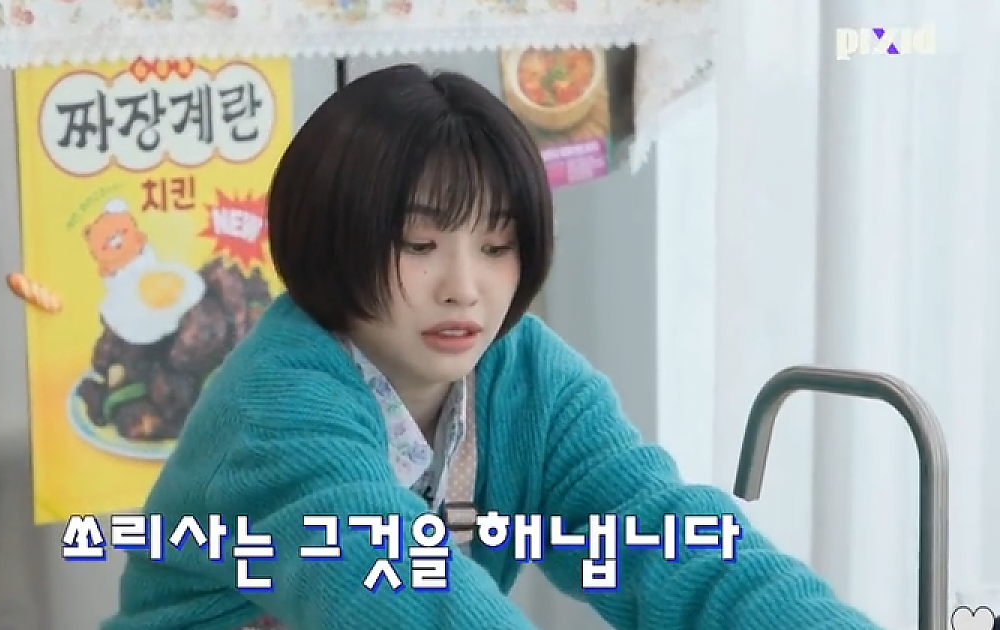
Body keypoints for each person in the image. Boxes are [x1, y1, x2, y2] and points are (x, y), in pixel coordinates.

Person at [103, 64, 882, 630]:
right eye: (420, 244)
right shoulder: (276, 403)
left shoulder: (529, 377)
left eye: (497, 244)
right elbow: (398, 585)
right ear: (334, 239)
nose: (465, 288)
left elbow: (667, 538)